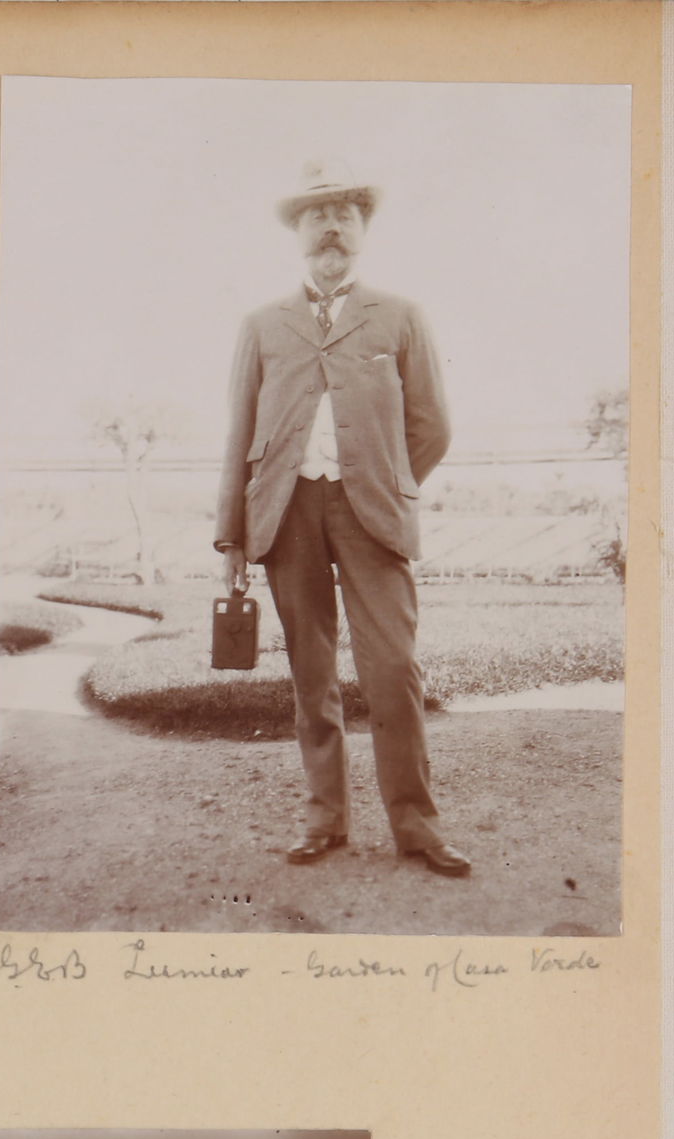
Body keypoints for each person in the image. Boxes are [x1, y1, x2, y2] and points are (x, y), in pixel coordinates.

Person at [215, 160, 470, 876]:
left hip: (372, 516)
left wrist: (384, 484)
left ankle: (417, 828)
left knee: (393, 670)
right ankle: (325, 821)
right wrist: (232, 534)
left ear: (363, 229)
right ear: (297, 233)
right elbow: (239, 433)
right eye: (315, 215)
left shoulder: (400, 316)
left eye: (346, 213)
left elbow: (433, 426)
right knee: (311, 671)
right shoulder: (262, 324)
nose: (330, 226)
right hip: (286, 512)